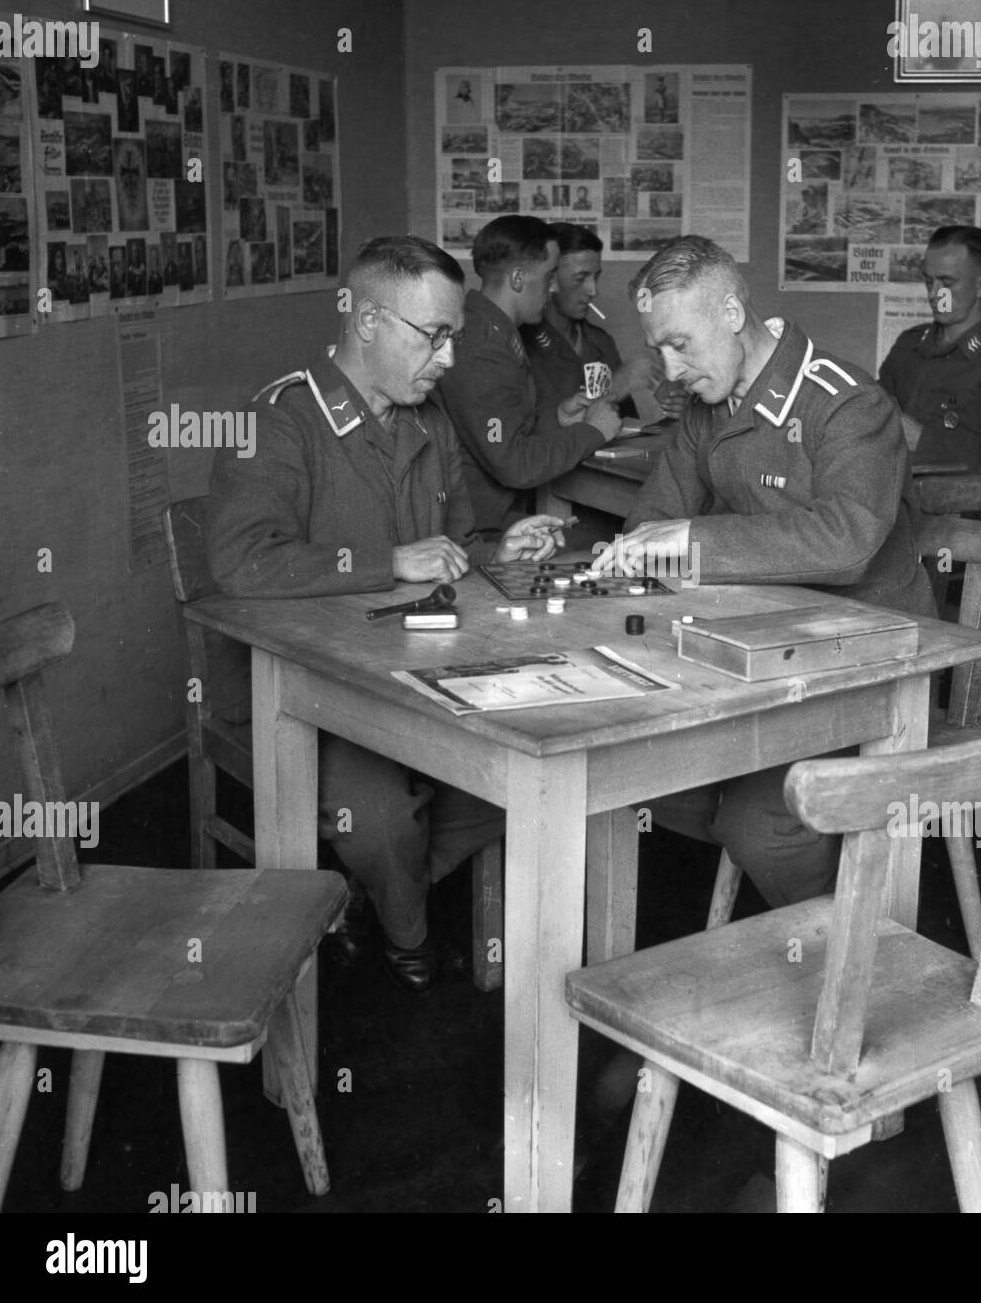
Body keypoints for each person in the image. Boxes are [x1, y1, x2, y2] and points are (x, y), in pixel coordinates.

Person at [207, 235, 568, 993]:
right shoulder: (279, 418)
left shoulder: (427, 418)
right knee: (376, 818)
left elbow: (457, 544)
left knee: (539, 771)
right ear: (367, 321)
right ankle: (408, 931)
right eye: (432, 336)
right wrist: (391, 561)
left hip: (417, 668)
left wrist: (503, 555)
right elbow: (240, 564)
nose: (446, 358)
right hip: (309, 691)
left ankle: (370, 896)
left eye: (453, 338)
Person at [592, 235, 932, 908]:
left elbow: (849, 540)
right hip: (760, 645)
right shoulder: (705, 406)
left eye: (680, 343)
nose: (668, 367)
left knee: (759, 825)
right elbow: (653, 519)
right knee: (621, 772)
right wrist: (635, 549)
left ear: (730, 313)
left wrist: (694, 541)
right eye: (657, 346)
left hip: (867, 656)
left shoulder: (844, 401)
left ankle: (850, 945)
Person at [439, 214, 622, 537]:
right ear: (519, 279)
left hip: (498, 514)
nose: (553, 288)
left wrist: (558, 417)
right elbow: (514, 465)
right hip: (480, 528)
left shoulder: (493, 329)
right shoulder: (483, 347)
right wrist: (593, 432)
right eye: (550, 275)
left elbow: (501, 426)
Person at [878, 225, 981, 473]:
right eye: (928, 281)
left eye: (947, 283)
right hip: (890, 500)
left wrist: (924, 441)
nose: (935, 295)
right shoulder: (909, 345)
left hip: (961, 508)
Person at [522, 222, 657, 415]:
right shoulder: (521, 344)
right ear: (550, 277)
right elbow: (524, 429)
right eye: (580, 278)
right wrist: (617, 386)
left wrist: (674, 411)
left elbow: (625, 423)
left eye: (596, 277)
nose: (593, 290)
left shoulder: (600, 342)